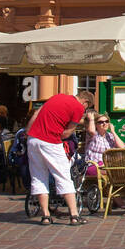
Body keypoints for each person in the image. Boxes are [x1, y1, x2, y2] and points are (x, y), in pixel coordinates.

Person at [26, 93, 90, 225]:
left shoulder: (57, 96)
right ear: (85, 102)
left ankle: (45, 216)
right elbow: (67, 132)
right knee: (63, 175)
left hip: (33, 139)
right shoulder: (78, 108)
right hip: (51, 141)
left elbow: (37, 113)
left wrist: (28, 132)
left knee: (38, 176)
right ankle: (74, 215)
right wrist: (55, 137)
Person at [82, 113, 125, 177]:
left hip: (108, 165)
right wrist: (91, 119)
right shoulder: (94, 135)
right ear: (96, 125)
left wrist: (113, 132)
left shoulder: (110, 135)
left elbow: (122, 147)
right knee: (120, 171)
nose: (104, 123)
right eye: (101, 122)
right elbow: (91, 131)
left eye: (106, 121)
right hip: (94, 166)